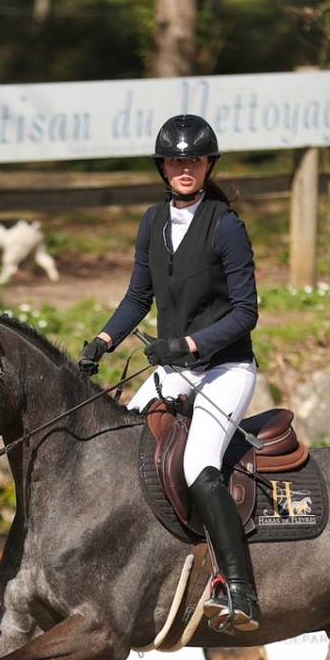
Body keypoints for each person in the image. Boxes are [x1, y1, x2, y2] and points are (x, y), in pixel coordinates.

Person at [78, 114, 262, 632]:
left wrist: (186, 343)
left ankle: (240, 588)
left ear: (207, 167)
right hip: (174, 369)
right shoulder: (152, 221)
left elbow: (246, 313)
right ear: (163, 167)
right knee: (121, 450)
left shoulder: (226, 225)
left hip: (224, 368)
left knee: (198, 461)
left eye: (194, 160)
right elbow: (139, 295)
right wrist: (103, 341)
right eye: (176, 160)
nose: (185, 168)